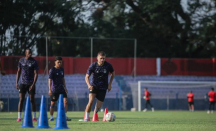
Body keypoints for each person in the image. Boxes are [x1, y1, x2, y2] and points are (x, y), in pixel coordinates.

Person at [83, 51, 115, 122]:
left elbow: (113, 73)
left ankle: (95, 114)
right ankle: (86, 118)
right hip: (94, 86)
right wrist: (88, 85)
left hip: (103, 88)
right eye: (101, 58)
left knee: (98, 107)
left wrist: (110, 84)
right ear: (97, 58)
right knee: (90, 101)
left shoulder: (108, 65)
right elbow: (87, 76)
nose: (102, 60)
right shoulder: (93, 65)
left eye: (103, 58)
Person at [16, 49, 38, 122]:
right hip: (22, 83)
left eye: (31, 53)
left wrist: (33, 84)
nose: (30, 54)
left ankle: (34, 117)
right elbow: (18, 72)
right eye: (29, 53)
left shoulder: (34, 62)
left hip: (31, 84)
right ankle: (19, 117)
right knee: (21, 99)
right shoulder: (21, 61)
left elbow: (36, 74)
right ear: (25, 53)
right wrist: (16, 82)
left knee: (32, 100)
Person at [48, 56, 71, 121]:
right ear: (55, 62)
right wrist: (50, 89)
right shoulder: (52, 70)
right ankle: (51, 117)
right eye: (58, 62)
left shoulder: (62, 69)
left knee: (65, 102)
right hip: (54, 89)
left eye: (60, 62)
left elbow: (63, 79)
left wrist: (65, 87)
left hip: (61, 89)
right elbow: (50, 79)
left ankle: (65, 116)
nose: (59, 63)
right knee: (53, 103)